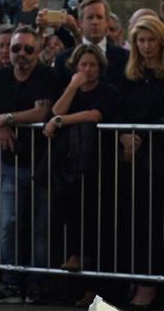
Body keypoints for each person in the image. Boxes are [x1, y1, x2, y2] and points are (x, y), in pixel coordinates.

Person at [0, 25, 57, 304]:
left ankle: (37, 283)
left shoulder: (46, 75)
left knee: (40, 226)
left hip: (41, 162)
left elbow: (41, 111)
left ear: (38, 51)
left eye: (27, 49)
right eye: (15, 49)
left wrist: (6, 119)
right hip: (11, 163)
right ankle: (10, 281)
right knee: (8, 223)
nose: (21, 54)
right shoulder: (0, 75)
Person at [42, 43, 118, 273]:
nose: (88, 69)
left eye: (92, 65)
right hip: (70, 162)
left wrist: (61, 121)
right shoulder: (71, 88)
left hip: (98, 161)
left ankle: (91, 264)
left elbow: (94, 115)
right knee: (70, 209)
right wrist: (73, 86)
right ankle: (75, 256)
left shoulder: (108, 91)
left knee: (95, 213)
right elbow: (57, 110)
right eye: (83, 64)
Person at [120, 15, 164, 308]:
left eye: (151, 40)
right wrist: (125, 135)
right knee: (138, 219)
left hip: (158, 155)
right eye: (141, 40)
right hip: (135, 158)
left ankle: (151, 284)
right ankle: (140, 280)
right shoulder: (131, 75)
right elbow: (121, 110)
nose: (146, 46)